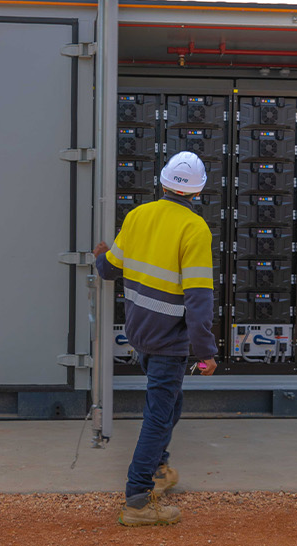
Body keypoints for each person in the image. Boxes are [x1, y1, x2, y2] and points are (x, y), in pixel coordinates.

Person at [93, 150, 218, 527]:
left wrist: (99, 257)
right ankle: (137, 499)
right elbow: (198, 297)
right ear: (197, 192)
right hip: (169, 340)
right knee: (159, 415)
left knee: (170, 406)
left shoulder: (137, 216)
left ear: (162, 182)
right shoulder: (194, 228)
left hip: (141, 332)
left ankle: (160, 469)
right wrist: (206, 353)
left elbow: (110, 268)